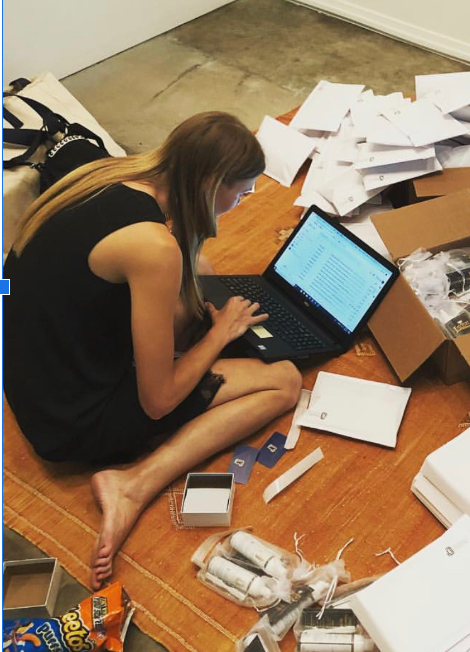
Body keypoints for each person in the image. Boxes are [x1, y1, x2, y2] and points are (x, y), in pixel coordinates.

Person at [3, 112, 302, 590]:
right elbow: (158, 401)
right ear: (211, 183)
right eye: (242, 193)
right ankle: (132, 485)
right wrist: (220, 334)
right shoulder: (154, 247)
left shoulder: (103, 173)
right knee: (284, 380)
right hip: (67, 423)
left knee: (201, 268)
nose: (241, 203)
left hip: (24, 367)